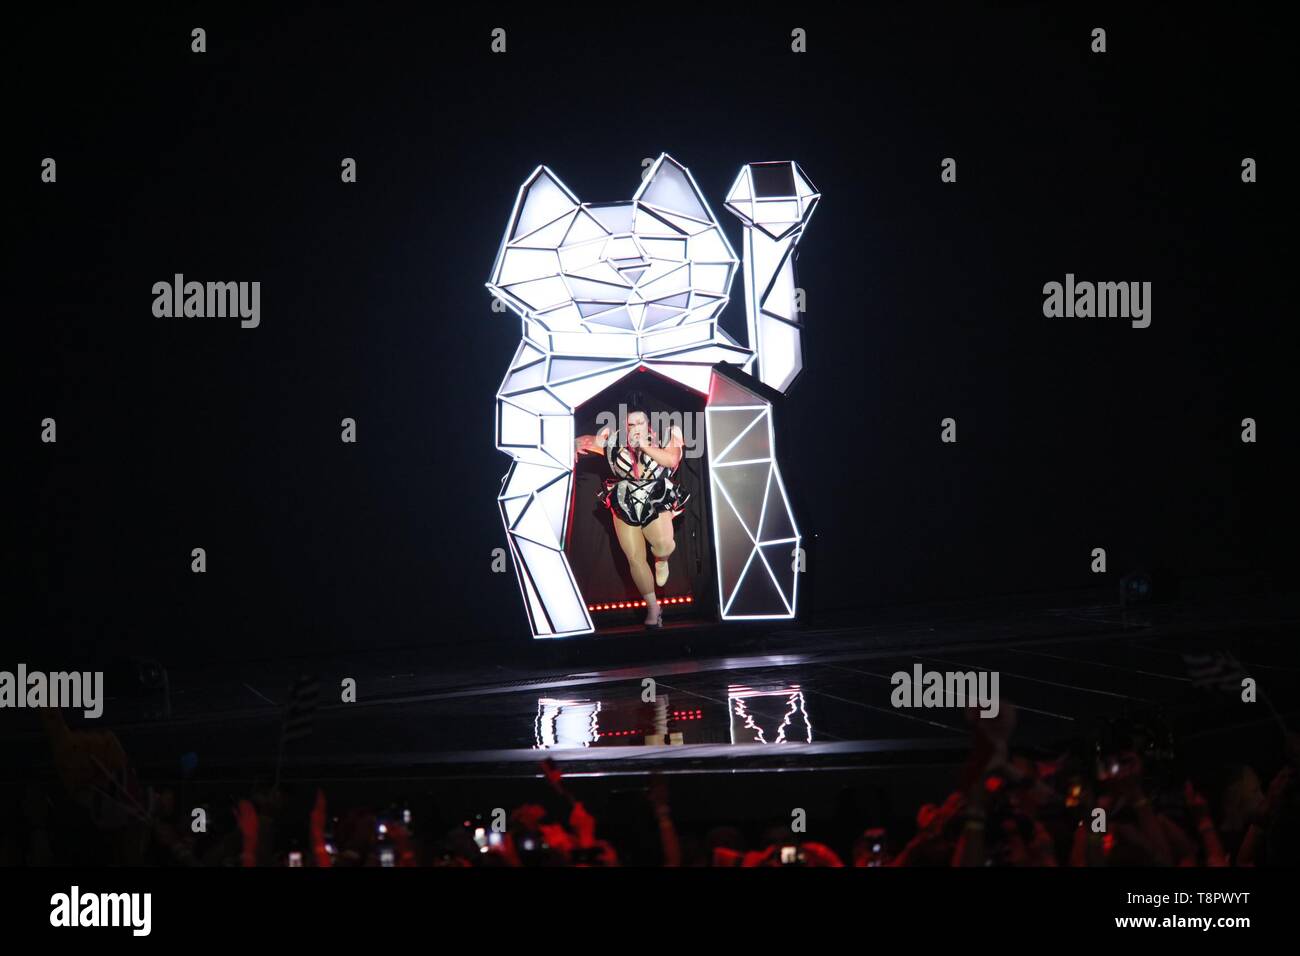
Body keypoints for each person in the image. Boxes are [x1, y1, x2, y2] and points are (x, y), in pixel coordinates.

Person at [576, 401, 686, 627]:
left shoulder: (668, 436)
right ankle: (653, 608)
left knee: (664, 544)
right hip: (625, 497)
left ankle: (661, 560)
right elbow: (585, 440)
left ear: (648, 424)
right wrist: (574, 444)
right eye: (631, 423)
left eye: (640, 422)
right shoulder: (614, 441)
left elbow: (671, 460)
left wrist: (644, 446)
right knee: (634, 557)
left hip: (655, 493)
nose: (635, 426)